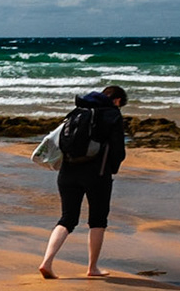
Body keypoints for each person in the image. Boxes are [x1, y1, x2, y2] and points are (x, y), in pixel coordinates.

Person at [39, 84, 128, 278]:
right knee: (98, 220)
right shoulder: (112, 115)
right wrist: (112, 169)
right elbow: (118, 150)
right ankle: (92, 268)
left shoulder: (78, 111)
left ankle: (47, 262)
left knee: (67, 219)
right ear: (118, 101)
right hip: (97, 174)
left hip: (67, 172)